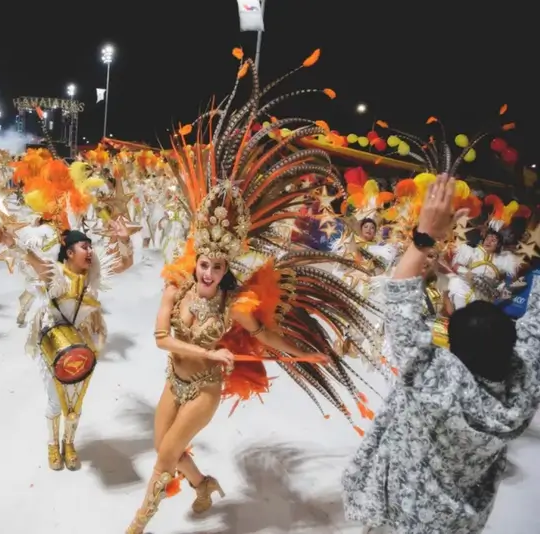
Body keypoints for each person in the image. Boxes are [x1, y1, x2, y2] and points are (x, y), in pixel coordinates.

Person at [126, 50, 380, 534]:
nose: (207, 271)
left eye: (217, 266)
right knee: (169, 448)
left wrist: (309, 354)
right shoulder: (176, 285)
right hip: (173, 376)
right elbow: (160, 340)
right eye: (204, 262)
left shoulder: (232, 306)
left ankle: (138, 523)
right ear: (197, 259)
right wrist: (208, 350)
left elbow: (267, 337)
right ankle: (203, 486)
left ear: (225, 269)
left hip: (203, 389)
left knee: (162, 455)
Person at [342, 174, 540, 534]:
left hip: (397, 509)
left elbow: (399, 295)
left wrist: (423, 237)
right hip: (455, 521)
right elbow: (535, 332)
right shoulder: (525, 389)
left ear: (449, 349)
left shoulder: (435, 381)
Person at [0, 218, 134, 471]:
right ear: (69, 253)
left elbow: (124, 263)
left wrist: (123, 240)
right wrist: (9, 240)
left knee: (76, 400)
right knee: (56, 400)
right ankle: (51, 444)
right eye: (84, 247)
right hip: (52, 343)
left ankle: (69, 443)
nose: (90, 251)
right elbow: (32, 258)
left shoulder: (93, 276)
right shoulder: (55, 274)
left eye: (91, 247)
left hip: (83, 343)